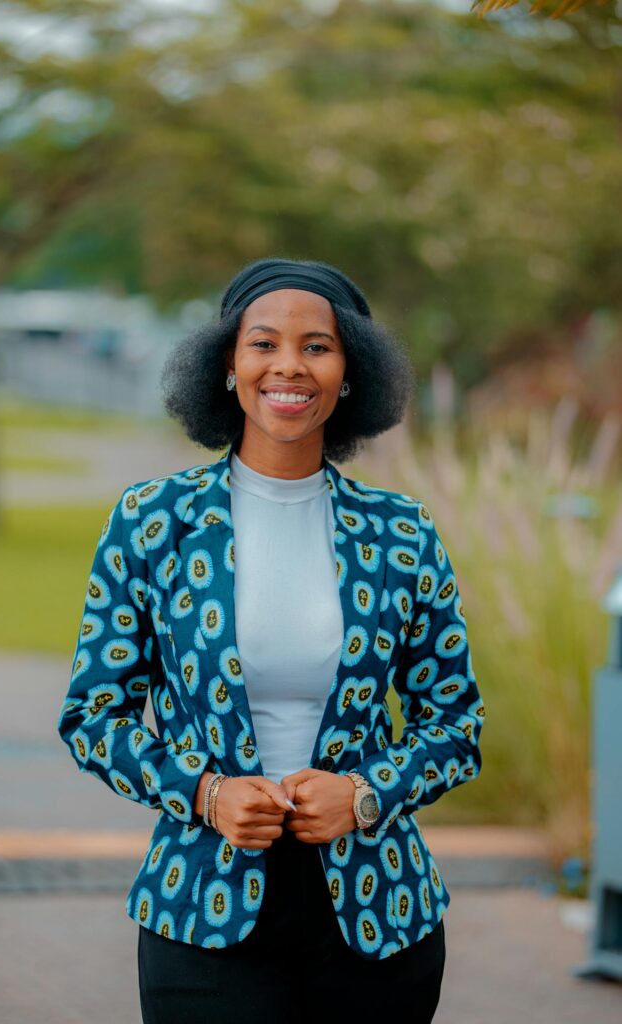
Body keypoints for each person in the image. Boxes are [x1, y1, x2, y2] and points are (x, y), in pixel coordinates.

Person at [57, 256, 485, 1023]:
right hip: (202, 908)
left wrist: (365, 794)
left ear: (350, 375)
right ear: (226, 365)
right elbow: (93, 717)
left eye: (317, 346)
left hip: (377, 918)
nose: (289, 365)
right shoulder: (153, 521)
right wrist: (204, 793)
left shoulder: (401, 533)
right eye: (263, 344)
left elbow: (455, 724)